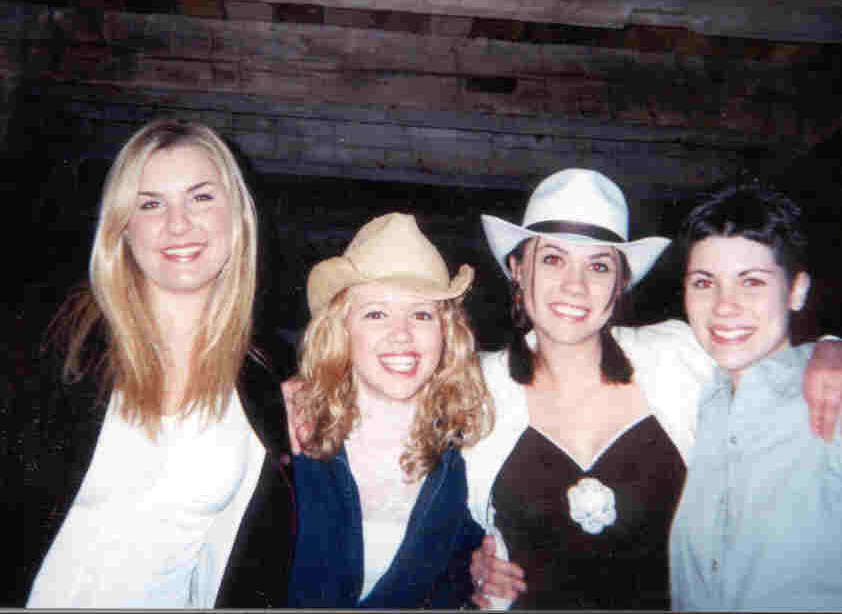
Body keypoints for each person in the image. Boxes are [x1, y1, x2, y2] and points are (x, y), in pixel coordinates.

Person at [465, 169, 842, 610]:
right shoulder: (478, 389)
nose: (575, 285)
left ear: (621, 281)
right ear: (517, 267)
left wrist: (830, 348)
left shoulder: (677, 356)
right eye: (552, 259)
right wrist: (471, 562)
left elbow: (763, 353)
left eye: (599, 265)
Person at [13, 120, 294, 608]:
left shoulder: (264, 373)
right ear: (122, 227)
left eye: (201, 197)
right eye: (150, 203)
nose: (178, 223)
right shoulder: (56, 342)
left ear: (238, 217)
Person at [285, 212, 491, 608]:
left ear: (446, 332)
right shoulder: (287, 437)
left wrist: (479, 574)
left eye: (421, 314)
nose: (401, 334)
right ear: (342, 330)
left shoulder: (467, 458)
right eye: (376, 313)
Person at [669, 183, 842, 610]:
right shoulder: (698, 394)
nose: (724, 306)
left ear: (797, 290)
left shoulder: (831, 399)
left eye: (751, 282)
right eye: (705, 282)